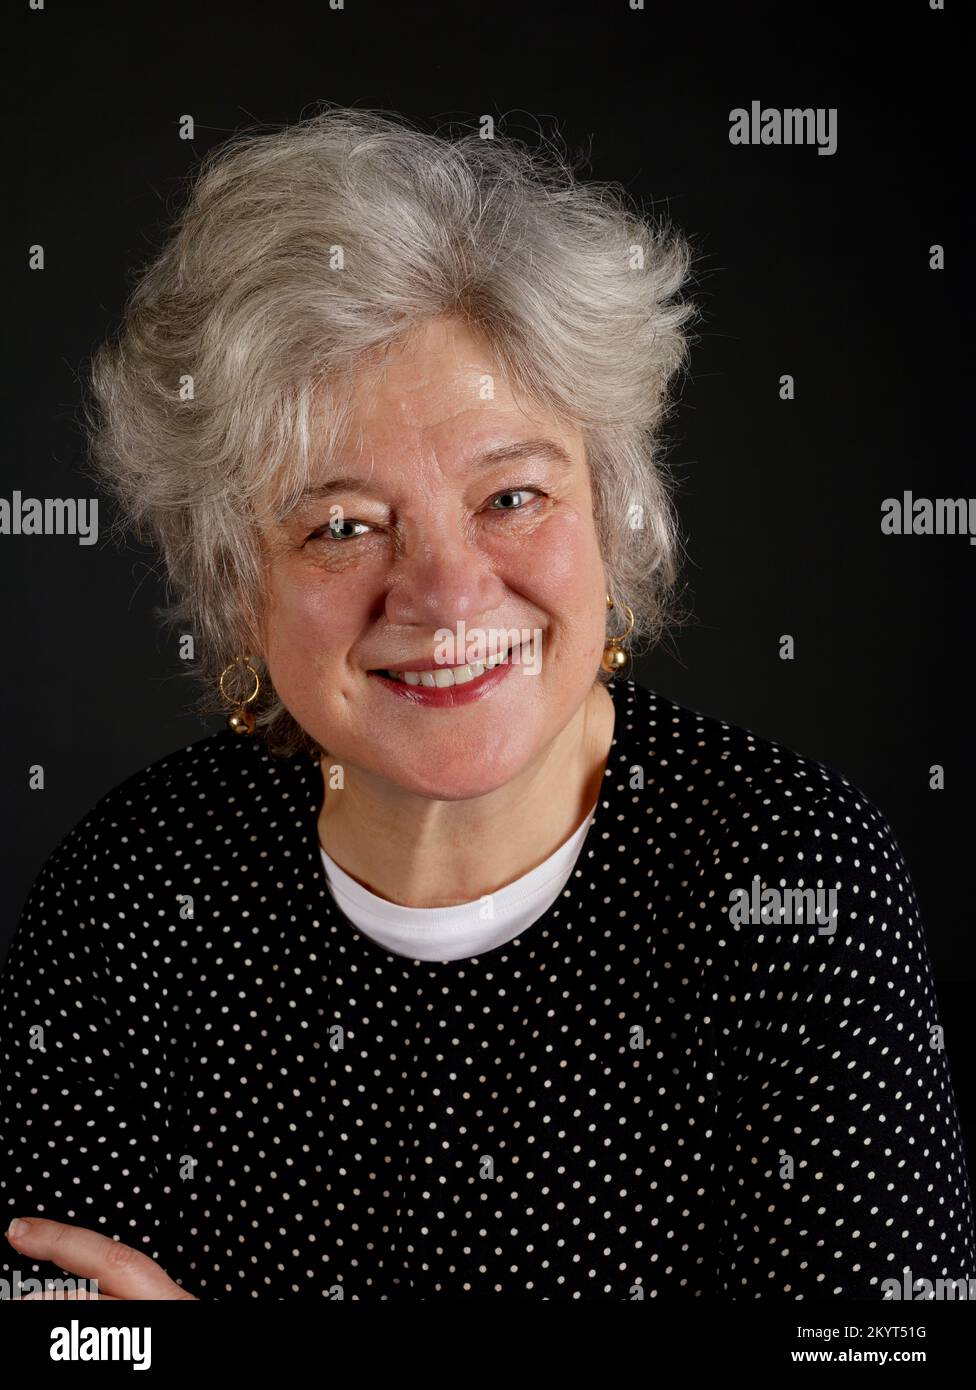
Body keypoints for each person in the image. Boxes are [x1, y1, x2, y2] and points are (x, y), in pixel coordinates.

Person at [2, 107, 973, 1301]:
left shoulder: (789, 874)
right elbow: (51, 1330)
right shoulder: (134, 891)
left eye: (511, 496)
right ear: (235, 586)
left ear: (614, 521)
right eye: (343, 526)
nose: (448, 591)